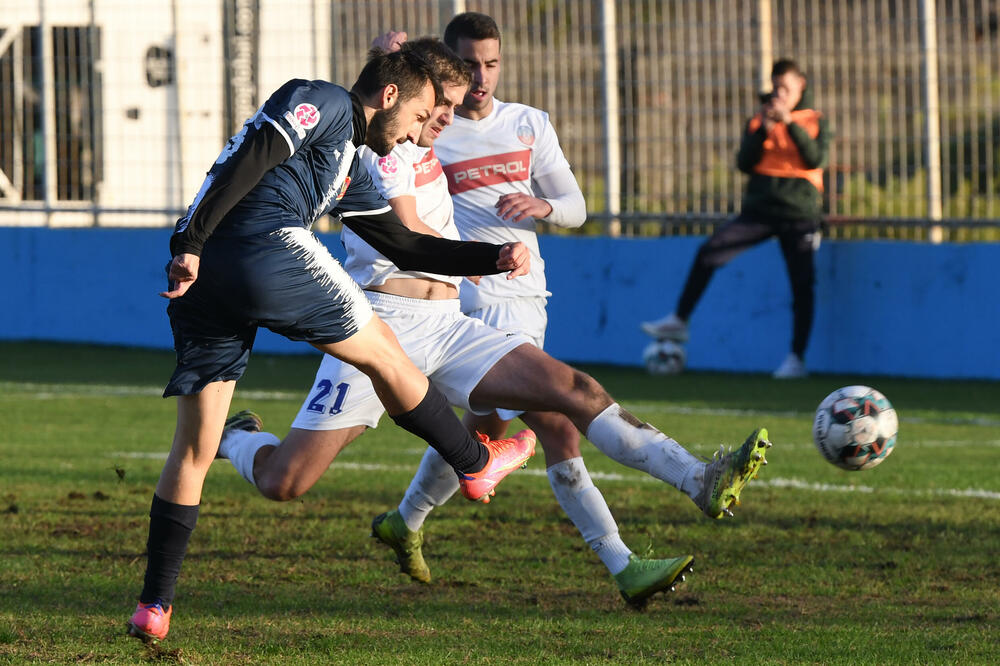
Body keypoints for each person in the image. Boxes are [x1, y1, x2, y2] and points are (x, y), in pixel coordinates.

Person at [218, 34, 772, 610]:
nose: (451, 117)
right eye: (444, 106)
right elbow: (408, 239)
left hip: (447, 323)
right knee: (287, 481)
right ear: (412, 98)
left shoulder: (428, 137)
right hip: (379, 327)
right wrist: (486, 254)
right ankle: (237, 438)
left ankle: (697, 479)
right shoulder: (384, 146)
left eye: (456, 104)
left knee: (571, 392)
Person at [126, 47, 538, 644]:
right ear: (390, 97)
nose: (422, 133)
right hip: (260, 248)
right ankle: (476, 464)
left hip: (207, 279)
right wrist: (189, 236)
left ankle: (153, 606)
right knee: (386, 354)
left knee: (196, 447)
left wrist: (489, 257)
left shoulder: (351, 165)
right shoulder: (323, 100)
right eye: (422, 116)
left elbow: (407, 246)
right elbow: (250, 154)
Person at [641, 59, 831, 379]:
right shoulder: (759, 119)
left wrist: (790, 124)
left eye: (786, 87)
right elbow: (745, 162)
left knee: (802, 286)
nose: (780, 94)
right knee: (710, 251)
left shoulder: (814, 120)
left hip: (800, 213)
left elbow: (815, 158)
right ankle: (680, 319)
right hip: (760, 211)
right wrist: (765, 130)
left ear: (801, 87)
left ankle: (796, 359)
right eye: (776, 87)